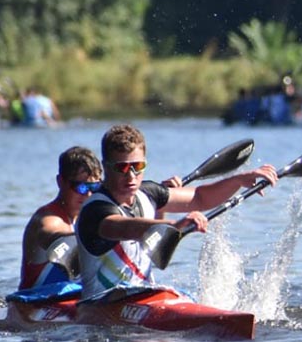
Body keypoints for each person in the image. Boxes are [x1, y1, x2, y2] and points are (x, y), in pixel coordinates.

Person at [75, 124, 280, 299]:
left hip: (144, 298)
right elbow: (127, 228)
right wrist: (175, 225)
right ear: (106, 167)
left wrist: (239, 180)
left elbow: (200, 197)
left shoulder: (148, 193)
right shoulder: (95, 210)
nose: (131, 175)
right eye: (122, 167)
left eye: (137, 166)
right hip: (101, 309)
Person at [19, 146, 103, 289]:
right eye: (80, 187)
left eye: (94, 187)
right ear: (60, 181)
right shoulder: (47, 219)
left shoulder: (89, 217)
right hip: (34, 303)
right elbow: (50, 234)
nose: (88, 194)